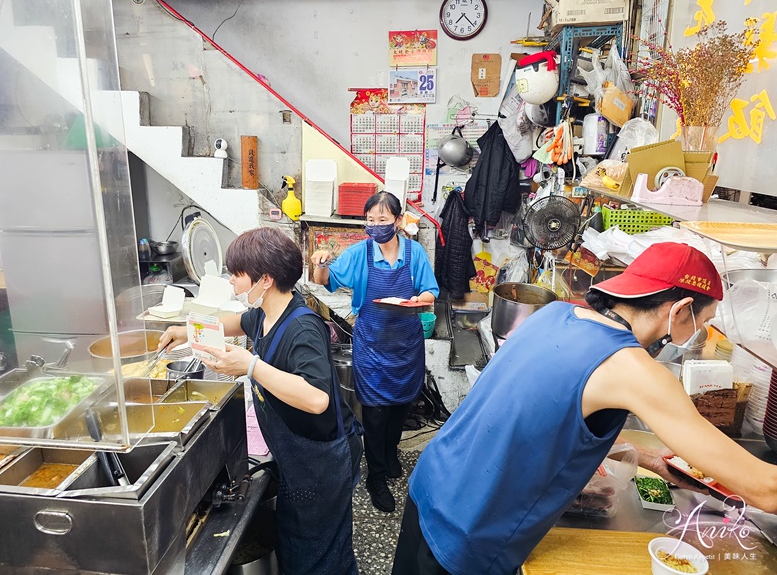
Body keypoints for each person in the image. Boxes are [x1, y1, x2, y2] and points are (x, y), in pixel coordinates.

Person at [392, 242, 777, 575]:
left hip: (429, 489)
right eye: (703, 322)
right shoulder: (634, 368)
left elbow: (551, 415)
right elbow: (766, 489)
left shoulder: (556, 314)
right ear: (679, 310)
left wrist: (648, 458)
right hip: (468, 533)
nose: (700, 333)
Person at [159, 227, 362, 575]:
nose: (232, 282)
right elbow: (234, 322)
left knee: (320, 552)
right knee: (298, 540)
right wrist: (186, 330)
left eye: (237, 274)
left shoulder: (302, 327)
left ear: (264, 279)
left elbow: (317, 399)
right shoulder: (266, 314)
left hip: (322, 460)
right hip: (298, 455)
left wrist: (250, 365)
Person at [311, 191, 439, 513]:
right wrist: (319, 263)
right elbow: (325, 280)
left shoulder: (415, 253)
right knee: (376, 412)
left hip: (406, 345)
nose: (375, 226)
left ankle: (392, 454)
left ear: (397, 221)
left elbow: (429, 291)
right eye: (370, 220)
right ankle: (376, 476)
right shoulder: (359, 253)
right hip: (371, 344)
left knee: (399, 406)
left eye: (382, 220)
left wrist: (418, 300)